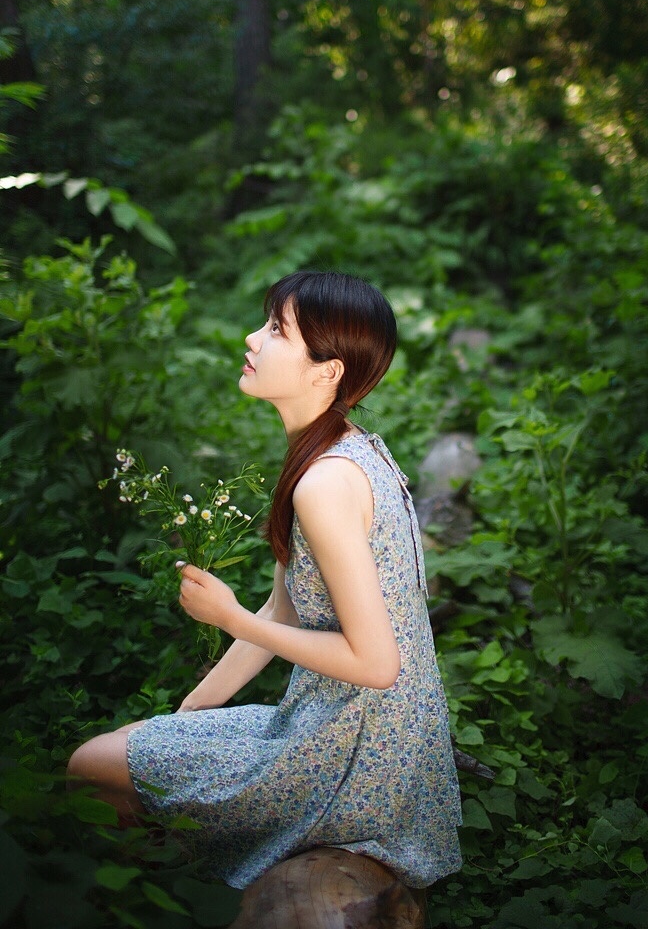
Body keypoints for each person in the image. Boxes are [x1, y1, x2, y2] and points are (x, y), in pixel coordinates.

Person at [67, 270, 463, 891]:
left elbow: (376, 663)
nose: (253, 339)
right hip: (354, 734)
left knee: (86, 765)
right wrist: (190, 714)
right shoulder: (341, 451)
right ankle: (166, 883)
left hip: (355, 762)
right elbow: (283, 610)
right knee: (129, 742)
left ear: (327, 371)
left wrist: (229, 618)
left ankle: (154, 894)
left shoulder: (325, 483)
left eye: (277, 330)